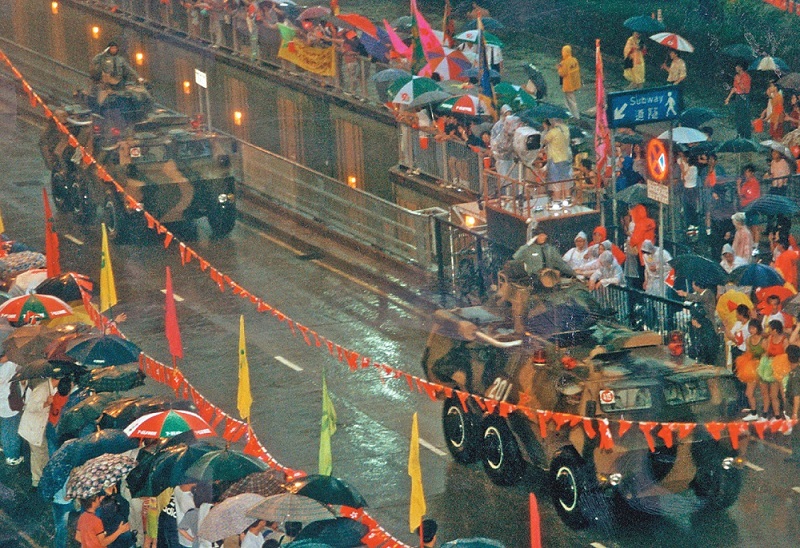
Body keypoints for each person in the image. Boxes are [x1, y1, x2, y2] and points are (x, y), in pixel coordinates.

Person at [18, 376, 57, 488]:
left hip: (38, 427)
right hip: (33, 428)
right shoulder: (42, 389)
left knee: (38, 454)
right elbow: (30, 407)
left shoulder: (51, 388)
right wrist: (46, 403)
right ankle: (40, 481)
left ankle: (37, 480)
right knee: (40, 455)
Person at [89, 41, 141, 106]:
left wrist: (138, 77)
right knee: (104, 99)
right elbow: (94, 61)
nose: (113, 50)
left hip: (118, 82)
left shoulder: (120, 59)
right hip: (108, 82)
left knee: (122, 97)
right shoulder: (103, 58)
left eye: (115, 48)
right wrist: (102, 53)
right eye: (112, 48)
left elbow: (129, 69)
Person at [758, 319, 788, 419]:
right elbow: (767, 352)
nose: (768, 331)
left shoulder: (784, 340)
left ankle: (777, 415)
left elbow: (785, 356)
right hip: (767, 368)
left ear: (775, 330)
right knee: (765, 393)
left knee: (774, 395)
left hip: (777, 369)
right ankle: (765, 414)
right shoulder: (770, 338)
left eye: (770, 329)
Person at [736, 319, 765, 421]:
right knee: (749, 393)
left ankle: (765, 414)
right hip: (752, 369)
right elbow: (748, 354)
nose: (751, 330)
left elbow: (766, 355)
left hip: (763, 369)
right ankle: (754, 412)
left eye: (753, 328)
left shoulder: (763, 340)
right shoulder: (748, 339)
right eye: (750, 328)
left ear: (758, 328)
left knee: (764, 393)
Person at [540, 118, 573, 201]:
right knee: (566, 180)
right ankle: (567, 199)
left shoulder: (552, 132)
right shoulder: (566, 129)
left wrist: (546, 130)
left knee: (556, 181)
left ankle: (557, 200)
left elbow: (544, 141)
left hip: (555, 159)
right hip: (566, 157)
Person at [96, 483, 136, 548]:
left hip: (115, 543)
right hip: (126, 542)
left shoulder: (100, 512)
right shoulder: (119, 512)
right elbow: (125, 505)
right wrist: (114, 495)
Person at [0, 358, 24, 466]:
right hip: (11, 404)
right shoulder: (10, 365)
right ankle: (13, 457)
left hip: (2, 406)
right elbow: (22, 371)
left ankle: (7, 453)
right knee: (13, 432)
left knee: (5, 430)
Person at [724, 63, 752, 138]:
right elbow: (734, 88)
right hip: (738, 97)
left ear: (741, 67)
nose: (735, 68)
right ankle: (739, 134)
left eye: (737, 66)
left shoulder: (746, 77)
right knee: (738, 117)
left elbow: (745, 89)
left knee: (744, 117)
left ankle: (746, 135)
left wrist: (739, 81)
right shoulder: (736, 76)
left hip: (744, 97)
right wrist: (728, 98)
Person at [784, 344, 800, 463]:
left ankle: (796, 456)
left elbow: (796, 395)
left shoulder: (795, 374)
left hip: (798, 408)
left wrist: (794, 413)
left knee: (797, 434)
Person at [556, 45, 581, 120]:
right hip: (574, 83)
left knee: (569, 101)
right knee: (572, 100)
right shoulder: (574, 60)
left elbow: (562, 73)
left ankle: (573, 116)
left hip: (567, 84)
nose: (562, 53)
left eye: (563, 51)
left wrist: (559, 68)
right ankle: (575, 116)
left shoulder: (565, 62)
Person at [677, 151, 700, 231]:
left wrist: (683, 171)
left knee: (688, 207)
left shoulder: (691, 169)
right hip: (691, 188)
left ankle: (691, 224)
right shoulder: (694, 168)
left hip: (689, 189)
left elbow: (685, 178)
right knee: (691, 207)